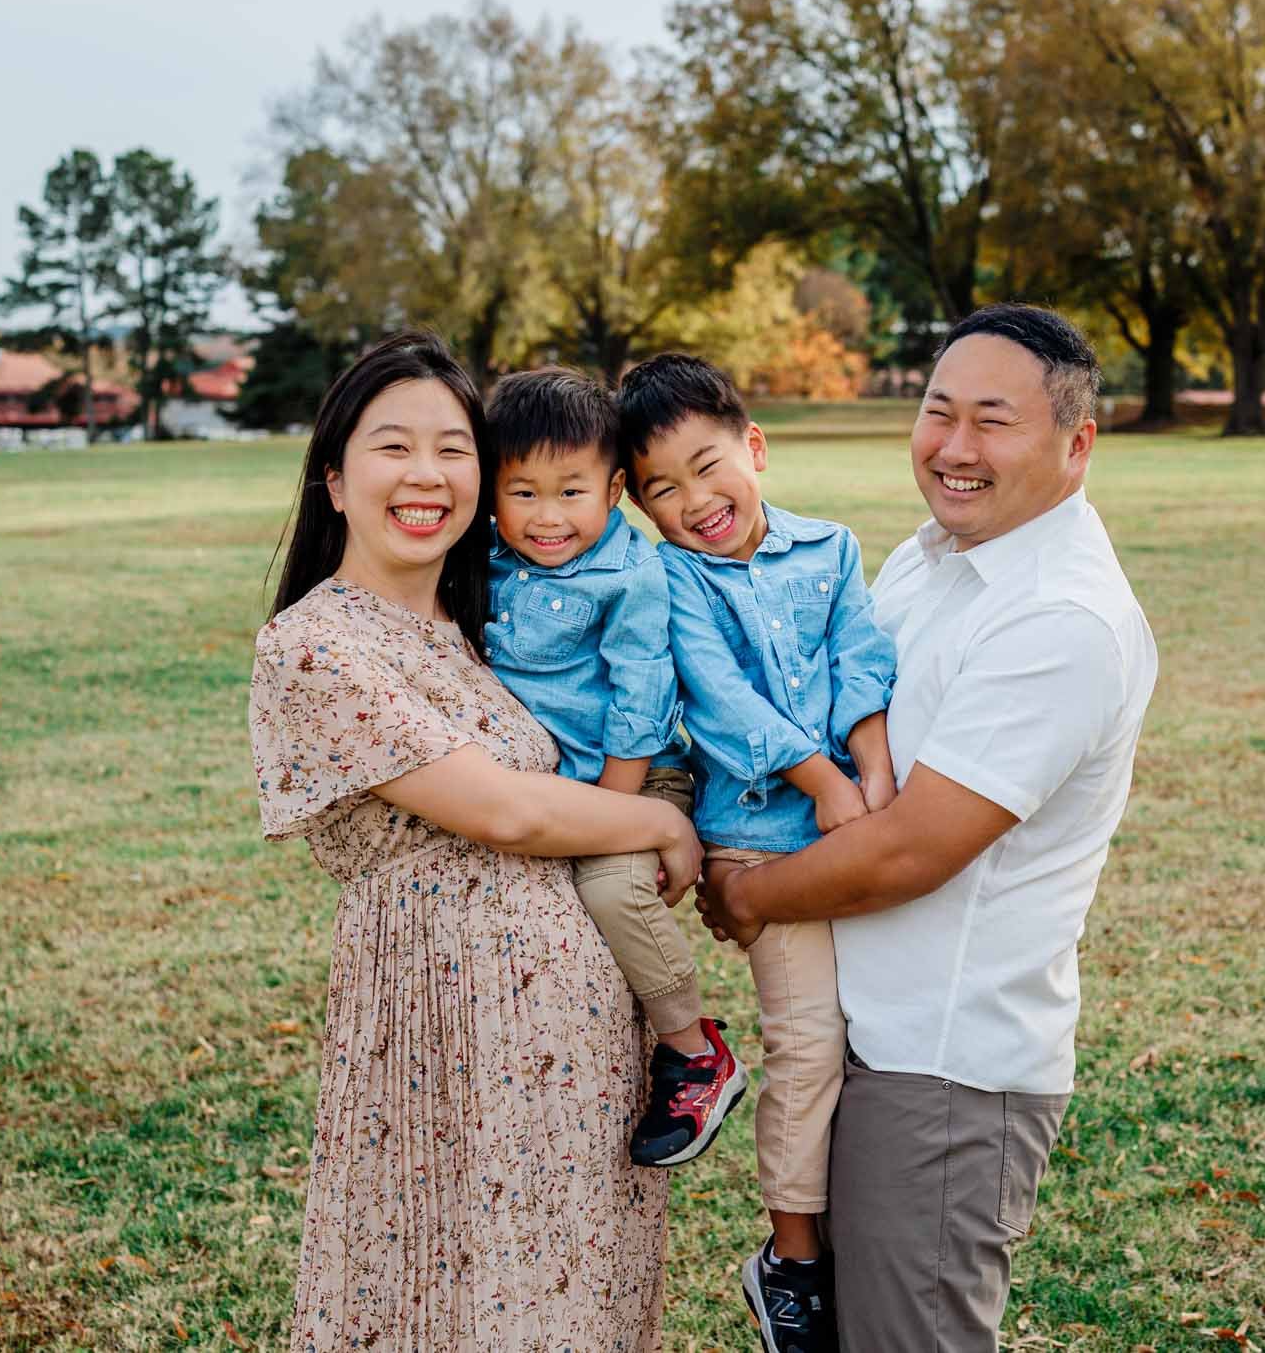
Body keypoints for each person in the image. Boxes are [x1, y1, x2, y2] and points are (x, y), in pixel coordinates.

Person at [696, 305, 1158, 1351]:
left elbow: (912, 849)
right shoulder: (933, 557)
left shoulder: (1059, 619)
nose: (952, 447)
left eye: (991, 422)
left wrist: (746, 897)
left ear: (1075, 445)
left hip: (945, 1073)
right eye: (935, 412)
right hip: (870, 1040)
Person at [246, 330, 700, 1352]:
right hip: (438, 1038)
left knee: (572, 1292)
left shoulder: (488, 621)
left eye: (452, 448)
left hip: (576, 1049)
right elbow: (508, 812)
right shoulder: (316, 647)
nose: (426, 474)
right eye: (392, 446)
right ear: (332, 479)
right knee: (432, 1290)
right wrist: (660, 819)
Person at [620, 353, 900, 1353]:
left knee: (870, 1040)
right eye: (662, 487)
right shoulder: (669, 577)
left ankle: (850, 1220)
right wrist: (824, 785)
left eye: (707, 465)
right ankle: (790, 1258)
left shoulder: (830, 548)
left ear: (755, 447)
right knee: (806, 1046)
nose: (695, 500)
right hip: (758, 845)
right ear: (640, 507)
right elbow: (717, 702)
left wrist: (868, 766)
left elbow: (861, 654)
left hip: (855, 820)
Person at [479, 366, 747, 1168]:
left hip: (633, 774)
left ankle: (695, 1050)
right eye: (522, 493)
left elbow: (641, 696)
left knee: (610, 884)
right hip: (549, 784)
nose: (547, 516)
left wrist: (611, 811)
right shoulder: (488, 557)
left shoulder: (632, 573)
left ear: (616, 489)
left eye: (571, 492)